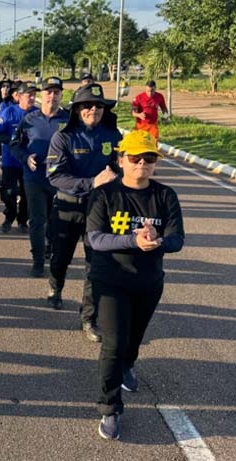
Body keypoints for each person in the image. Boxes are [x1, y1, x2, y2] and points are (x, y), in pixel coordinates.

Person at [87, 130, 184, 440]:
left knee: (134, 338)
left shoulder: (165, 195)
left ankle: (129, 363)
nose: (142, 163)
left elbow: (177, 239)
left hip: (148, 282)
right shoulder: (105, 194)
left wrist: (158, 241)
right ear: (121, 160)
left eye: (149, 158)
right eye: (135, 158)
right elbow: (95, 238)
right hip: (111, 281)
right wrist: (132, 239)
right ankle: (110, 407)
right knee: (113, 344)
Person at [46, 83, 122, 342]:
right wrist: (91, 183)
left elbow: (119, 168)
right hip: (68, 208)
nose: (93, 110)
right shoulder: (63, 137)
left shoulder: (113, 135)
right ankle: (55, 287)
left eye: (99, 106)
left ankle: (88, 318)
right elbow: (55, 177)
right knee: (61, 258)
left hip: (100, 211)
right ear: (77, 109)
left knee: (96, 266)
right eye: (87, 105)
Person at [10, 77, 69, 278]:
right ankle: (37, 261)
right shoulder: (29, 120)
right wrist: (26, 158)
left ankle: (49, 249)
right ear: (41, 95)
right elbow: (15, 145)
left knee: (56, 221)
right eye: (48, 92)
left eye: (56, 92)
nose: (52, 96)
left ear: (61, 95)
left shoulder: (69, 120)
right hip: (34, 177)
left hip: (61, 179)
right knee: (37, 220)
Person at [0, 82, 34, 233]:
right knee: (9, 193)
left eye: (33, 95)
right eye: (28, 95)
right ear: (19, 96)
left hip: (29, 162)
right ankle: (9, 216)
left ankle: (23, 220)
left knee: (26, 193)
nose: (31, 98)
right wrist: (15, 140)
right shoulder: (8, 112)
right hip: (10, 160)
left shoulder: (37, 113)